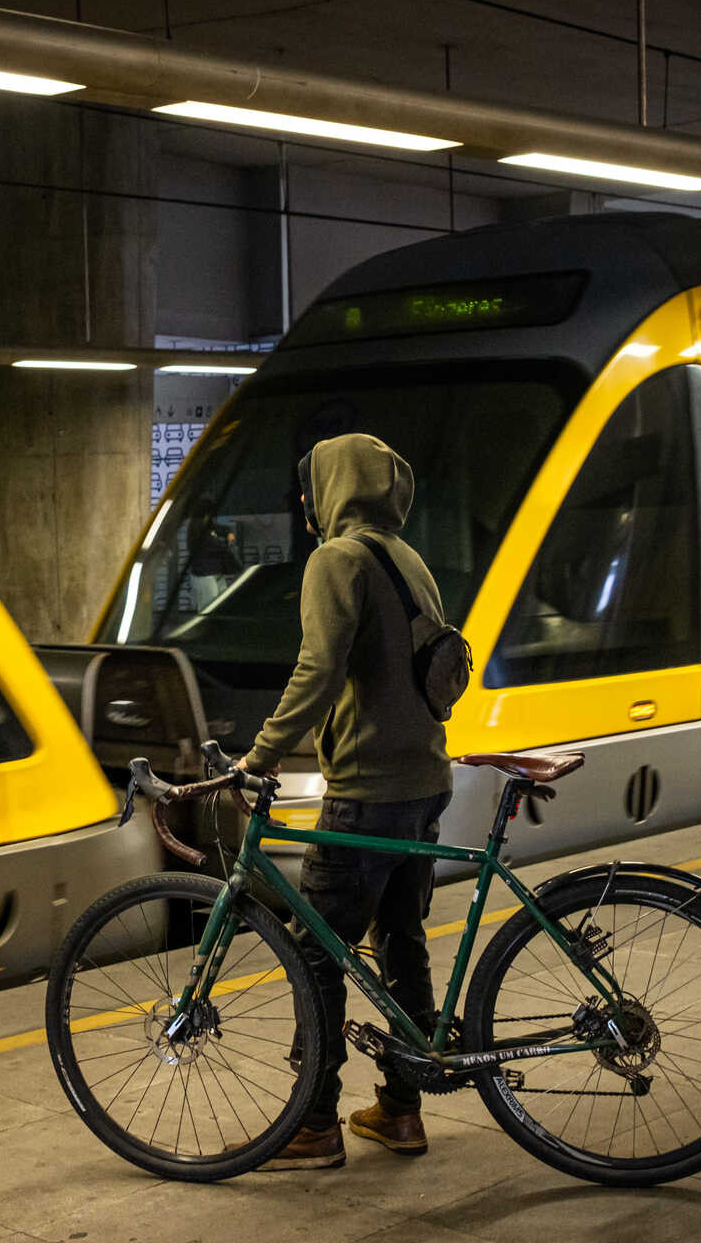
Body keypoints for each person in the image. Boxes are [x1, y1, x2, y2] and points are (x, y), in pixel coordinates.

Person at [240, 432, 454, 1171]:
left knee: (316, 954)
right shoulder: (409, 559)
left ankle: (313, 1124)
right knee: (400, 941)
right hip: (425, 781)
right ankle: (400, 1110)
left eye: (309, 487)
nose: (304, 502)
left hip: (367, 789)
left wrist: (259, 755)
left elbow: (318, 669)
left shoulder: (337, 560)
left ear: (330, 488)